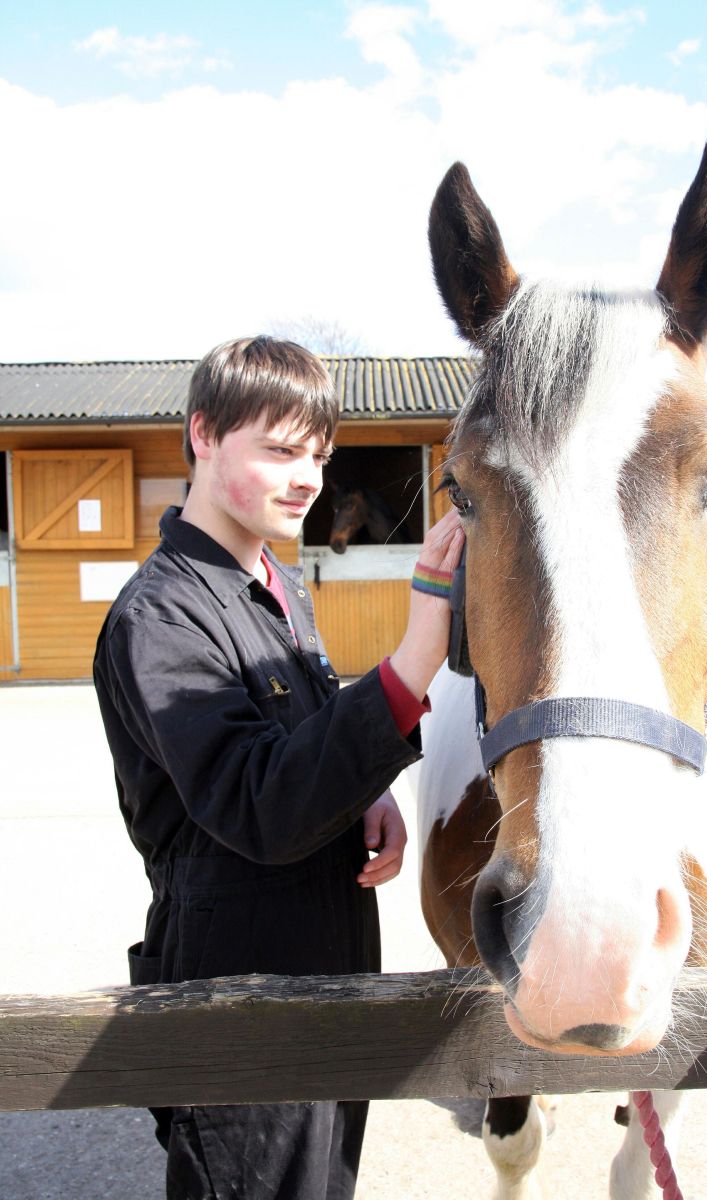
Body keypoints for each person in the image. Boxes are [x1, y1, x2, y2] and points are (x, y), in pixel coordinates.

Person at [93, 334, 464, 1200]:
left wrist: (370, 790)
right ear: (203, 435)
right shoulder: (160, 617)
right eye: (280, 450)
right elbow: (260, 803)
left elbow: (305, 737)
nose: (309, 478)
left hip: (328, 968)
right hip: (238, 991)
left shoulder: (281, 586)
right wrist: (412, 663)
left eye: (320, 456)